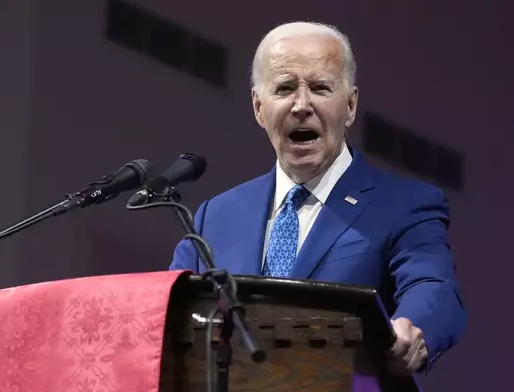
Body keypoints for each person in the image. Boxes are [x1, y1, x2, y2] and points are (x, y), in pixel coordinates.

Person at [169, 21, 466, 375]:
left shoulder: (405, 206)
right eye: (284, 88)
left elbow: (432, 285)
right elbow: (168, 311)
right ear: (259, 108)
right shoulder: (214, 217)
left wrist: (414, 326)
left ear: (351, 106)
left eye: (320, 87)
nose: (301, 105)